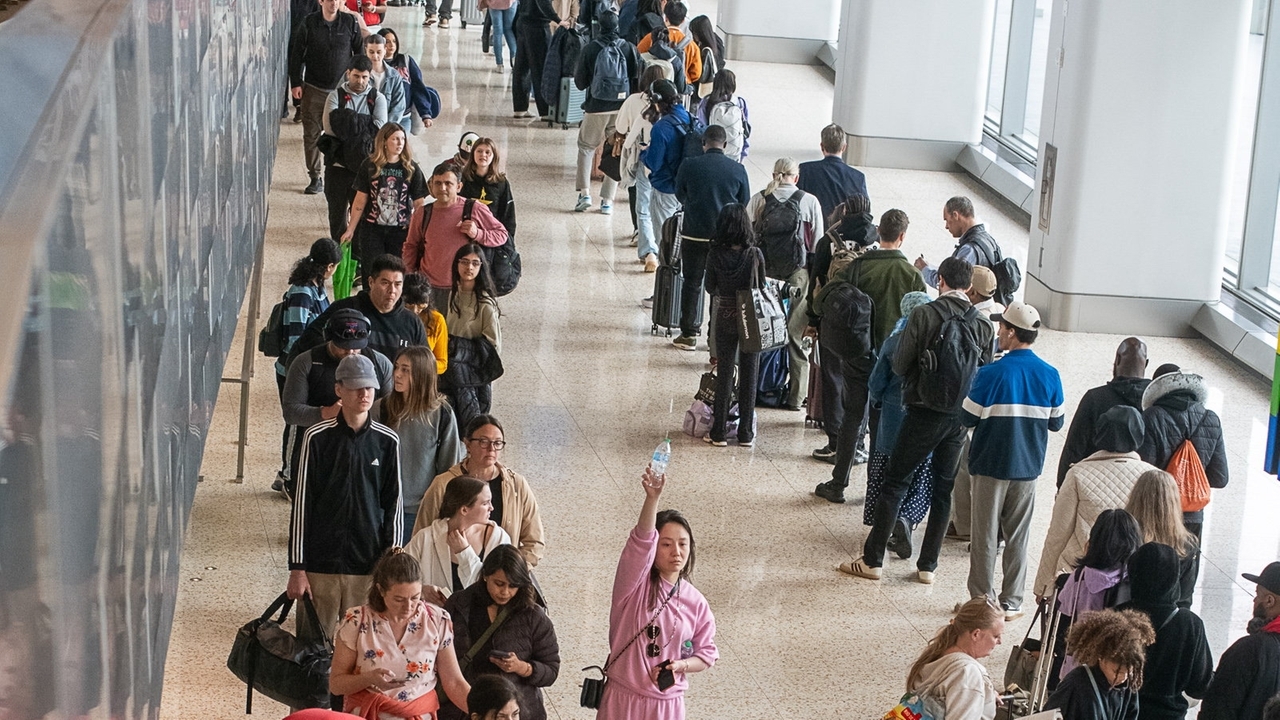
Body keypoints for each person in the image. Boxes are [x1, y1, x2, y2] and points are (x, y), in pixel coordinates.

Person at [841, 258, 993, 584]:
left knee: (896, 482)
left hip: (923, 411)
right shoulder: (982, 324)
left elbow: (899, 363)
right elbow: (984, 371)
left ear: (940, 281)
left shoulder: (924, 315)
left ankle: (873, 560)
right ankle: (928, 567)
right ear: (968, 287)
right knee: (943, 490)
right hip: (959, 418)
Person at [287, 354, 403, 649]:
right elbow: (303, 503)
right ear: (338, 389)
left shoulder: (388, 441)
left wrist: (391, 561)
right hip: (320, 564)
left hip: (367, 565)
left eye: (369, 388)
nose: (364, 394)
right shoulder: (316, 437)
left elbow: (394, 504)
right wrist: (298, 568)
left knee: (365, 650)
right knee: (313, 650)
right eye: (355, 387)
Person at [811, 208, 926, 504]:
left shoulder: (860, 266)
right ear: (902, 236)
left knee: (852, 416)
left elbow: (824, 297)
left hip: (859, 354)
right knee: (881, 425)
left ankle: (838, 482)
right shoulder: (912, 275)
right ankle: (874, 490)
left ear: (879, 232)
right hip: (895, 360)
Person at [960, 302, 1064, 618]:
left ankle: (982, 602)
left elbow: (967, 417)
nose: (998, 333)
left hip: (989, 466)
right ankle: (1012, 601)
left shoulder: (990, 373)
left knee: (985, 537)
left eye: (1002, 328)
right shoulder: (1050, 375)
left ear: (1011, 332)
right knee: (1018, 537)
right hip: (1027, 468)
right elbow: (1056, 422)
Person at [596, 468, 718, 719]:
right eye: (666, 544)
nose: (676, 551)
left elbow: (706, 653)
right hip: (623, 699)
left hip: (667, 706)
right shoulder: (632, 587)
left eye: (682, 544)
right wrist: (652, 499)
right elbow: (640, 542)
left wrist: (680, 666)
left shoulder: (696, 602)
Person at [329, 548, 470, 720]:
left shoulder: (437, 619)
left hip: (418, 713)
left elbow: (453, 682)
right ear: (381, 591)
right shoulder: (357, 620)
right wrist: (368, 679)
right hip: (368, 714)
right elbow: (336, 684)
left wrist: (485, 713)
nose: (409, 606)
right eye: (399, 599)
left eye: (415, 597)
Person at [1034, 407, 1156, 599]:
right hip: (1131, 576)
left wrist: (1043, 585)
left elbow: (1058, 533)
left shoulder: (1078, 473)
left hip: (1081, 575)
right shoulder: (1151, 476)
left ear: (1100, 433)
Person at [281, 310, 395, 499]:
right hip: (318, 449)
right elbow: (291, 411)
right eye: (343, 347)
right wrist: (326, 413)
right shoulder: (305, 363)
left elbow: (391, 409)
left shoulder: (380, 364)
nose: (351, 352)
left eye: (356, 347)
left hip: (364, 449)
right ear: (329, 338)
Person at [441, 547, 561, 720]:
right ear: (485, 576)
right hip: (463, 708)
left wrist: (521, 667)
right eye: (499, 584)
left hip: (516, 710)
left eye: (513, 586)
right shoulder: (459, 605)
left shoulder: (533, 615)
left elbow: (551, 670)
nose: (505, 592)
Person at [415, 415, 547, 567]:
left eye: (497, 443)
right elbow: (421, 533)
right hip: (447, 572)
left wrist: (512, 574)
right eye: (484, 442)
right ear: (467, 444)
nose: (491, 449)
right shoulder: (443, 484)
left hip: (500, 578)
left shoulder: (517, 485)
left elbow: (534, 542)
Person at [746, 157, 825, 411]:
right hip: (798, 274)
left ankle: (758, 389)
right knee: (794, 334)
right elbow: (817, 246)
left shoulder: (759, 199)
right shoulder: (809, 201)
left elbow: (747, 236)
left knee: (762, 332)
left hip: (765, 273)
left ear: (773, 174)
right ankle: (795, 398)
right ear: (796, 177)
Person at [807, 193, 877, 463]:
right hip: (866, 322)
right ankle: (858, 441)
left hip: (834, 319)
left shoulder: (830, 240)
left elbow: (817, 282)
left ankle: (836, 440)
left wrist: (813, 320)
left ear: (845, 210)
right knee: (862, 382)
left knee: (833, 379)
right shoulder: (876, 241)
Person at [864, 292, 934, 553]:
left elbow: (876, 383)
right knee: (919, 474)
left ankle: (883, 523)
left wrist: (878, 401)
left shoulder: (893, 342)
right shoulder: (933, 343)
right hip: (923, 423)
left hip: (892, 420)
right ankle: (907, 518)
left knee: (886, 476)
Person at [670, 125, 751, 351]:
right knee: (720, 290)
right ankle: (715, 340)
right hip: (725, 238)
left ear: (703, 143)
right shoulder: (737, 169)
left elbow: (680, 194)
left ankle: (688, 334)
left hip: (693, 233)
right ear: (725, 145)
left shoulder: (690, 165)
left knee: (692, 283)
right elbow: (743, 202)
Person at [271, 238, 342, 492]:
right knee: (295, 422)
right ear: (330, 266)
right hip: (293, 368)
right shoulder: (302, 291)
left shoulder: (318, 288)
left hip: (310, 366)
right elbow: (295, 338)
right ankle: (287, 474)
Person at [1118, 542, 1214, 720]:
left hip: (1120, 712)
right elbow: (1200, 686)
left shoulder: (1118, 616)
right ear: (1174, 577)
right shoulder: (1190, 624)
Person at [378, 346, 464, 541]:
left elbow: (449, 469)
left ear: (422, 374)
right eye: (397, 367)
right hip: (382, 507)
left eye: (405, 370)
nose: (397, 375)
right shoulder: (382, 408)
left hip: (419, 511)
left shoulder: (442, 413)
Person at [1138, 365, 1229, 545]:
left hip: (1158, 513)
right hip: (1193, 515)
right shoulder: (1211, 418)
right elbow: (1220, 478)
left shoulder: (1152, 416)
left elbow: (1143, 471)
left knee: (1157, 568)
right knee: (1187, 568)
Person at [1053, 510, 1143, 680]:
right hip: (1117, 669)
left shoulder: (1078, 577)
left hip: (1078, 669)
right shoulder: (1134, 582)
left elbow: (1064, 623)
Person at [403, 163, 509, 308]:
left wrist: (477, 233)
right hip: (428, 288)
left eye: (448, 183)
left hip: (464, 288)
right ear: (431, 185)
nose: (442, 188)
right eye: (438, 183)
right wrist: (410, 277)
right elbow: (411, 246)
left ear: (459, 187)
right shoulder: (423, 213)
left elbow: (501, 234)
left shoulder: (474, 209)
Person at [702, 204, 763, 447]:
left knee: (726, 370)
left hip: (725, 313)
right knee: (750, 372)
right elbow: (763, 286)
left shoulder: (715, 253)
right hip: (751, 317)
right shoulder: (755, 254)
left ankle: (718, 432)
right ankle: (745, 432)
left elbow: (709, 287)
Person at [291, 254, 426, 363]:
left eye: (398, 284)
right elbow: (306, 343)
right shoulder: (345, 310)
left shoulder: (412, 323)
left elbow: (424, 366)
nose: (392, 291)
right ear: (371, 282)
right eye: (385, 283)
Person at [289, 0, 364, 195]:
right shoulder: (308, 23)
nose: (334, 3)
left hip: (342, 91)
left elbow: (359, 52)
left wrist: (360, 81)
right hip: (314, 88)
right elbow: (296, 54)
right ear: (321, 1)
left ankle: (344, 169)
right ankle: (315, 176)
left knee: (346, 132)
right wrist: (296, 82)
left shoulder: (350, 22)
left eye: (338, 0)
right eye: (330, 0)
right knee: (311, 134)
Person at [573, 10, 642, 215]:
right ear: (618, 26)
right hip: (621, 109)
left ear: (599, 26)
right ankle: (607, 201)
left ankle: (584, 193)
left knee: (586, 147)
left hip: (596, 107)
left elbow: (580, 82)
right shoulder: (629, 48)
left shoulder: (591, 48)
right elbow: (637, 78)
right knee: (616, 150)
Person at [405, 476, 512, 605]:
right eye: (485, 503)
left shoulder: (499, 538)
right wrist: (421, 590)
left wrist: (464, 552)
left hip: (483, 622)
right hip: (433, 621)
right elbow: (398, 577)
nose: (491, 508)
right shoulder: (425, 537)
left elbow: (493, 587)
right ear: (464, 509)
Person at [1058, 338, 1151, 486]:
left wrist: (1062, 486)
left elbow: (1074, 448)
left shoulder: (1095, 398)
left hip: (1094, 486)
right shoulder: (1155, 402)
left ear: (1117, 359)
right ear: (1146, 364)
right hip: (1140, 489)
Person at [341, 123, 428, 280]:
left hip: (400, 230)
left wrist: (417, 229)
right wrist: (351, 229)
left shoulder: (411, 168)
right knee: (372, 270)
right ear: (384, 142)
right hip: (372, 229)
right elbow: (360, 199)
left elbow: (419, 203)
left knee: (396, 271)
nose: (400, 143)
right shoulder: (369, 166)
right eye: (395, 139)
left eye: (402, 139)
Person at [1201, 560, 1280, 720]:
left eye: (1257, 594)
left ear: (1270, 601)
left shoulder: (1248, 650)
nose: (1254, 600)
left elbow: (1217, 710)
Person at [322, 57, 389, 245]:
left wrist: (347, 120)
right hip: (337, 167)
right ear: (348, 74)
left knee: (360, 215)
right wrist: (364, 124)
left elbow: (379, 129)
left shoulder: (378, 98)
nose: (360, 81)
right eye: (356, 76)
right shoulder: (335, 96)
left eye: (364, 77)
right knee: (336, 215)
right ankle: (338, 253)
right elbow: (329, 128)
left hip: (363, 169)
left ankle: (357, 259)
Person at [905, 597, 1003, 720]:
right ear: (976, 634)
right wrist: (973, 691)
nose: (1000, 642)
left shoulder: (938, 651)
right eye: (996, 636)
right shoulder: (968, 673)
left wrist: (985, 696)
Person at [1046, 609, 1154, 720]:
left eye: (1128, 672)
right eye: (1116, 671)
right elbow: (1049, 715)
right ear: (1101, 658)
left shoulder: (1128, 686)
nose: (1122, 677)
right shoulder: (1076, 683)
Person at [440, 244, 503, 429]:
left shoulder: (485, 303)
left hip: (472, 376)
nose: (469, 268)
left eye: (475, 263)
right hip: (449, 370)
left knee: (471, 426)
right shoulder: (452, 295)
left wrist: (462, 349)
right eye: (465, 262)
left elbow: (493, 346)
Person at [1125, 470, 1201, 609]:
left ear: (1136, 497)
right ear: (1174, 502)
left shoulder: (1124, 535)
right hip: (1167, 619)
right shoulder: (1186, 544)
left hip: (1127, 618)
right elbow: (1185, 597)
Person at [616, 65, 668, 266]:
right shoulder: (669, 108)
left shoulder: (634, 102)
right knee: (663, 207)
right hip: (666, 164)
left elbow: (623, 131)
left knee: (643, 207)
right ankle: (664, 247)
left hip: (643, 160)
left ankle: (649, 252)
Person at [642, 79, 694, 273]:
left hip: (665, 188)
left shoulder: (661, 127)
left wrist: (644, 152)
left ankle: (664, 293)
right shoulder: (688, 117)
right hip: (686, 189)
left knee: (665, 240)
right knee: (682, 240)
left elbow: (653, 163)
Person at [915, 196, 1003, 289]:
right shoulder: (988, 240)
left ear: (955, 215)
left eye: (947, 220)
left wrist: (924, 269)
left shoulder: (969, 249)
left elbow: (950, 284)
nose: (946, 226)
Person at [796, 123, 869, 219]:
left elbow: (796, 203)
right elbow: (865, 211)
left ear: (822, 146)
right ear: (844, 147)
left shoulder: (805, 170)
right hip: (842, 231)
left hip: (811, 230)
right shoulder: (858, 177)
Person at [511, 0, 565, 120]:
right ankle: (545, 111)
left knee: (521, 67)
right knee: (541, 68)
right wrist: (558, 20)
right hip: (537, 26)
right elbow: (543, 2)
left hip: (523, 21)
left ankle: (520, 108)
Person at [635, 2, 702, 91]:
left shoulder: (651, 38)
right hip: (680, 89)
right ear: (683, 21)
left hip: (653, 85)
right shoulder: (692, 46)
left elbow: (638, 55)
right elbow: (696, 73)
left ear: (665, 17)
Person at [379, 29, 436, 133]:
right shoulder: (376, 65)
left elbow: (418, 87)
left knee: (401, 146)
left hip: (404, 116)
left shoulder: (406, 60)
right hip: (382, 118)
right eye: (387, 41)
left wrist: (425, 114)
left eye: (394, 41)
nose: (392, 44)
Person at [461, 137, 518, 241]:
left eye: (488, 152)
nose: (483, 155)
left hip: (490, 235)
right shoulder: (463, 179)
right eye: (479, 151)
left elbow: (508, 215)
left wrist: (508, 243)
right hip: (465, 234)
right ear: (473, 154)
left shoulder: (501, 183)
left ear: (494, 156)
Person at [694, 69, 747, 163]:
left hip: (712, 150)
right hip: (734, 151)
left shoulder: (707, 102)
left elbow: (700, 127)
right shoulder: (739, 103)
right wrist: (743, 153)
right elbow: (745, 129)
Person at [401, 273, 449, 374]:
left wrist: (421, 365)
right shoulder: (394, 316)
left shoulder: (436, 320)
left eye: (420, 306)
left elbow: (442, 363)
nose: (414, 310)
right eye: (409, 305)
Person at [362, 34, 408, 134]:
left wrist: (386, 129)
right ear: (365, 50)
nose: (375, 56)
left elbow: (399, 105)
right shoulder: (360, 73)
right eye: (371, 52)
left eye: (378, 52)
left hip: (386, 129)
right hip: (363, 128)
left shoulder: (394, 76)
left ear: (385, 50)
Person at [686, 15, 722, 101]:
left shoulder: (702, 49)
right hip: (715, 85)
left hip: (701, 88)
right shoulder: (717, 42)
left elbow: (698, 71)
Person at [487, 0, 518, 68]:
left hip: (494, 3)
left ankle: (499, 64)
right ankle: (514, 58)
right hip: (510, 3)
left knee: (497, 32)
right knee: (508, 29)